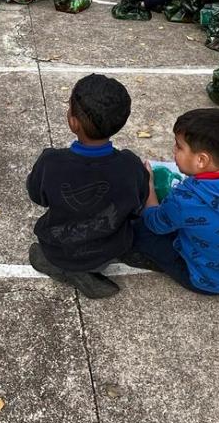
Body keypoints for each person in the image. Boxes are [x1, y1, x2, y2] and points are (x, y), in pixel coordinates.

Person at [27, 74, 148, 299]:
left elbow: (37, 195)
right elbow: (138, 205)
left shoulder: (50, 162)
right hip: (112, 249)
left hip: (60, 249)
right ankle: (90, 269)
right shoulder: (130, 165)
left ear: (74, 122)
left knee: (41, 253)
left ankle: (72, 271)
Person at [127, 108, 219, 295]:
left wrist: (149, 185)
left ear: (201, 160)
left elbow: (154, 222)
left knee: (138, 229)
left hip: (207, 280)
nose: (174, 150)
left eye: (179, 146)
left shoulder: (186, 198)